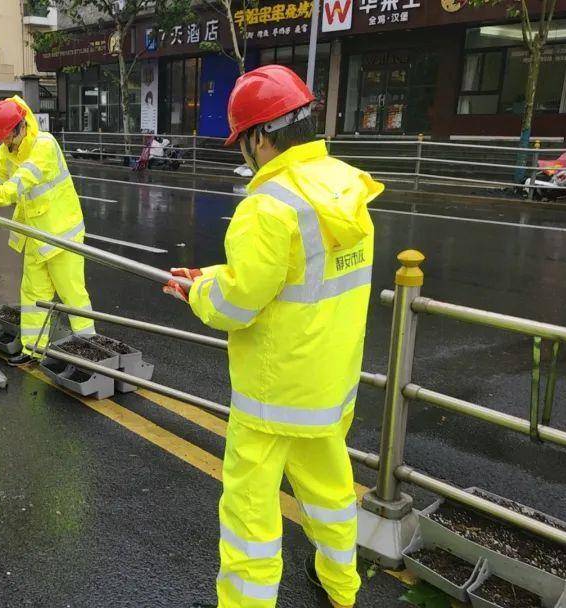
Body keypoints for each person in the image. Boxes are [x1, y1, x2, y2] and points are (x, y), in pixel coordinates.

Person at [162, 65, 381, 608]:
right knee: (332, 495)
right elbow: (296, 278)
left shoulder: (268, 206)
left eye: (244, 142)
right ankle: (342, 589)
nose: (245, 153)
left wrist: (198, 294)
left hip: (271, 393)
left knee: (249, 515)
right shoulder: (344, 186)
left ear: (262, 136)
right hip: (327, 386)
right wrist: (213, 275)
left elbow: (239, 305)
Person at [0, 96, 95, 366]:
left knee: (73, 296)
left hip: (62, 235)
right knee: (33, 295)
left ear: (20, 127)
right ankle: (33, 350)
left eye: (6, 137)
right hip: (37, 235)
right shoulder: (9, 150)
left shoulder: (43, 146)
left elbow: (18, 184)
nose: (4, 144)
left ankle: (91, 353)